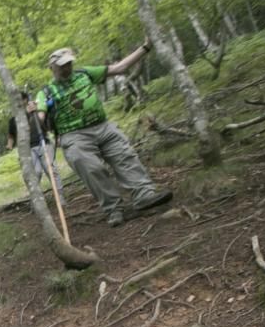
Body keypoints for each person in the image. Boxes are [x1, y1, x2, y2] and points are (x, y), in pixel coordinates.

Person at [35, 43, 172, 227]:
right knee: (89, 167)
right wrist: (36, 114)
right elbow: (41, 115)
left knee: (124, 155)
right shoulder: (46, 92)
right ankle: (113, 208)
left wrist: (145, 48)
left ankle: (144, 195)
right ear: (52, 68)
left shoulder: (85, 74)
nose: (66, 68)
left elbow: (120, 68)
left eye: (68, 63)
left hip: (103, 126)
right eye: (61, 65)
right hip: (74, 135)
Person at [7, 91, 65, 204]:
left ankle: (60, 197)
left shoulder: (37, 111)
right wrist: (9, 144)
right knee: (35, 173)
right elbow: (11, 135)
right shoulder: (13, 120)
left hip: (44, 143)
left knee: (51, 171)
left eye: (20, 99)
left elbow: (47, 123)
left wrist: (56, 137)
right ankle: (37, 202)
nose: (18, 103)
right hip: (27, 149)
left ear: (25, 100)